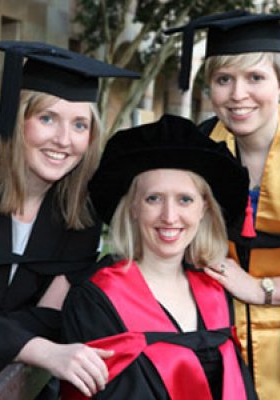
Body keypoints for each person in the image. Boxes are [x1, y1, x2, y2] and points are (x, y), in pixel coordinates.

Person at [0, 40, 139, 399]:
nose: (64, 140)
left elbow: (54, 315)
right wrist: (44, 349)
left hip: (16, 383)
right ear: (18, 118)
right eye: (47, 118)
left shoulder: (80, 213)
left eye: (79, 125)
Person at [165, 10, 280, 400]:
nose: (238, 94)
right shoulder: (199, 146)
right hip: (220, 346)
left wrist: (262, 290)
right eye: (224, 80)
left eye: (255, 77)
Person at [60, 114, 257, 399]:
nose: (169, 216)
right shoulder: (97, 300)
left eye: (184, 199)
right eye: (154, 198)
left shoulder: (215, 291)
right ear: (132, 208)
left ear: (204, 209)